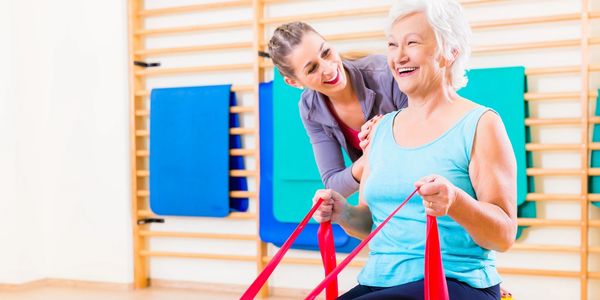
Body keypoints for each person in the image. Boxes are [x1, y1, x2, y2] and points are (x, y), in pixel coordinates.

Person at [311, 0, 517, 299]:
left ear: (450, 52)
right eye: (392, 45)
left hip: (454, 281)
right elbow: (369, 224)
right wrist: (342, 212)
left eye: (412, 43)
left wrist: (455, 201)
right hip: (380, 281)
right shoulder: (380, 130)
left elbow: (503, 236)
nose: (398, 56)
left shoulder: (480, 124)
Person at [268, 22, 408, 197]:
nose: (329, 69)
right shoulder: (310, 109)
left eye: (326, 53)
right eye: (312, 69)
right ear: (294, 82)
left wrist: (386, 130)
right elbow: (333, 184)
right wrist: (370, 157)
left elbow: (425, 144)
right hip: (385, 197)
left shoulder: (387, 75)